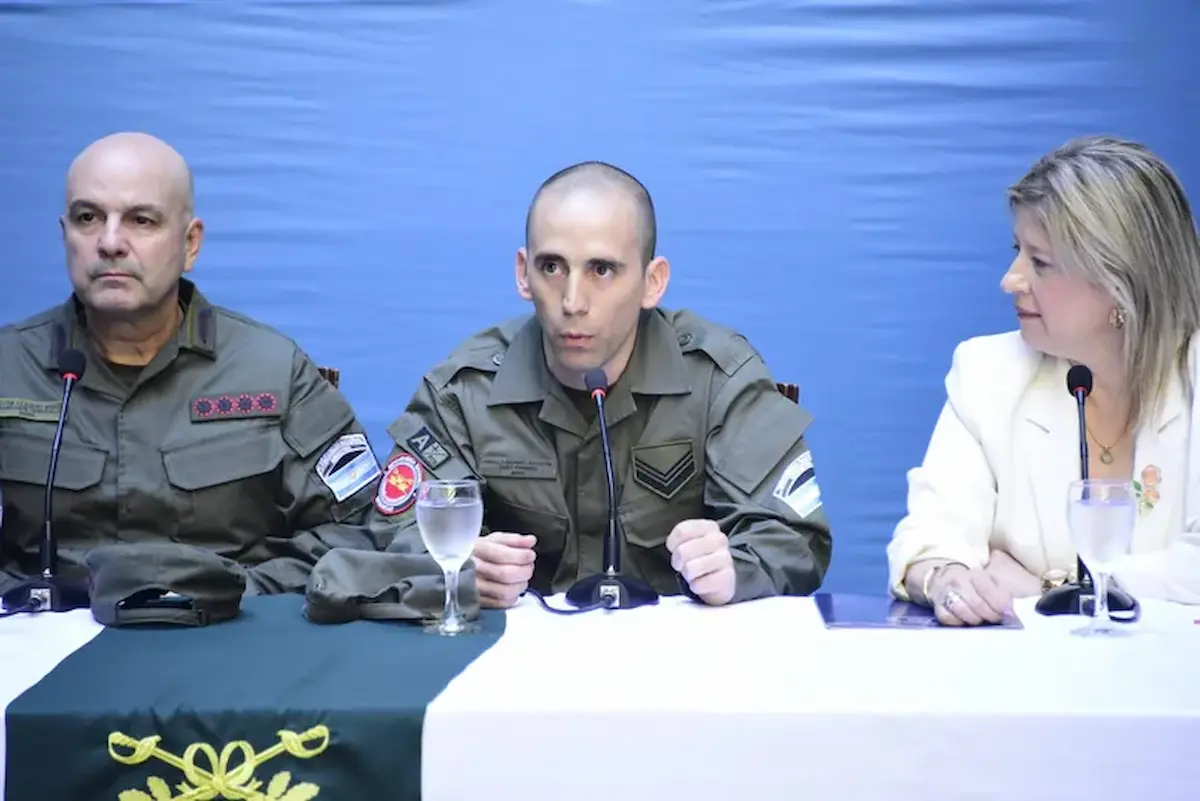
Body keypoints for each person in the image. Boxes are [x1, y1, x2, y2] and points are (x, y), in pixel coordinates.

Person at [368, 161, 831, 608]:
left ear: (653, 282)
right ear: (522, 274)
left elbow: (794, 537)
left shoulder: (717, 379)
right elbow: (390, 529)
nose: (573, 301)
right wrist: (457, 565)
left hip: (676, 650)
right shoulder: (466, 391)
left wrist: (735, 568)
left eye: (602, 270)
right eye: (552, 267)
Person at [0, 132, 382, 601]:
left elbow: (362, 530)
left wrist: (239, 592)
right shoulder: (9, 367)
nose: (110, 242)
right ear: (65, 236)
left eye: (141, 220)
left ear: (190, 244)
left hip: (228, 629)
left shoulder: (272, 371)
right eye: (88, 218)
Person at [888, 135, 1200, 625]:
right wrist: (947, 579)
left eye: (1041, 262)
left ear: (1120, 281)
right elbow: (929, 541)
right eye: (1018, 251)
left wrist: (1054, 591)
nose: (1010, 280)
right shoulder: (988, 373)